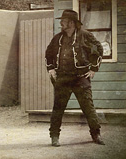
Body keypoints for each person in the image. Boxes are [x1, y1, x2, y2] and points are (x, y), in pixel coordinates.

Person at [45, 9, 104, 147]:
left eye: (63, 21)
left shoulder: (85, 35)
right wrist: (51, 68)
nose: (61, 23)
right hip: (63, 78)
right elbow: (49, 53)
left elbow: (99, 49)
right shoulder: (58, 38)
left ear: (71, 23)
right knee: (58, 108)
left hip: (80, 77)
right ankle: (54, 136)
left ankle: (96, 134)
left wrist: (94, 68)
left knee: (88, 107)